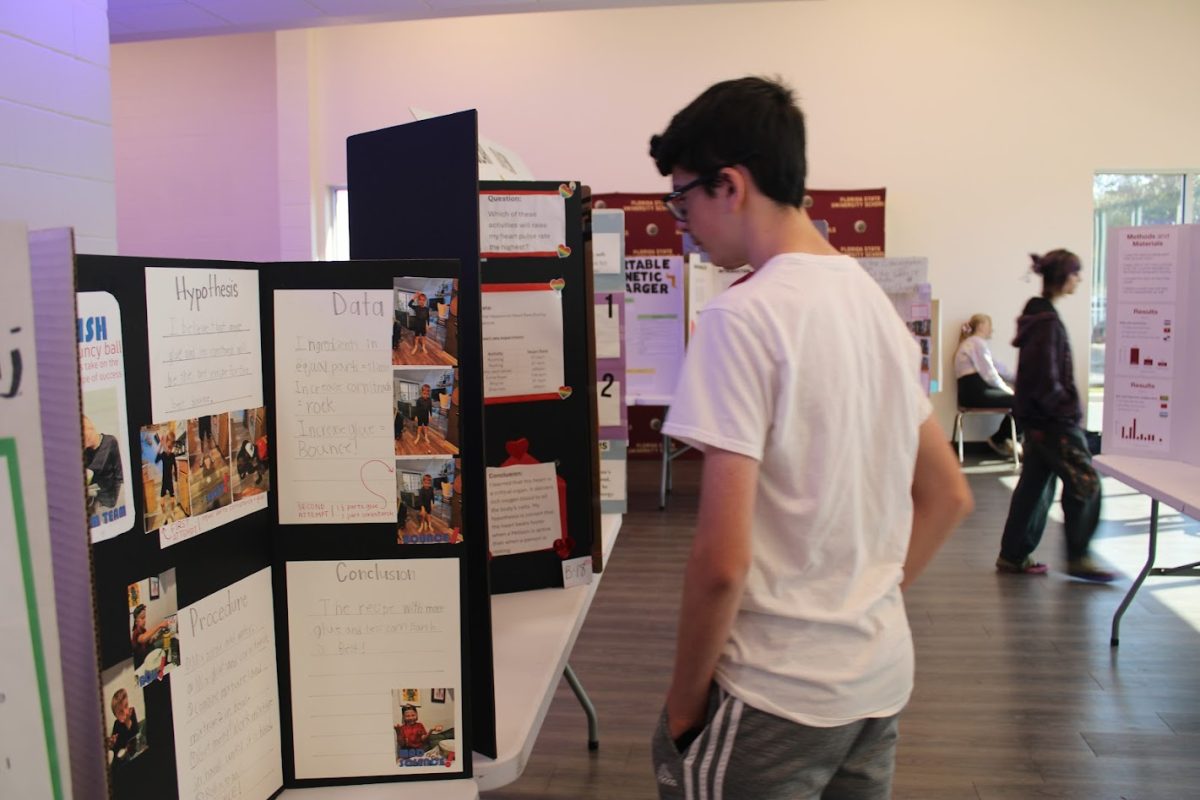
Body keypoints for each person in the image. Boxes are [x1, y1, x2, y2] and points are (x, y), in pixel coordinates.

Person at [647, 77, 973, 799]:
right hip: (878, 676)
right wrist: (863, 601)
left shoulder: (743, 318)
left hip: (772, 692)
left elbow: (721, 562)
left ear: (729, 185)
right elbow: (949, 496)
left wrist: (682, 706)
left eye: (682, 200)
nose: (682, 223)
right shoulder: (875, 307)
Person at [997, 250, 1115, 581]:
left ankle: (1013, 555)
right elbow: (1045, 377)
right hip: (1052, 423)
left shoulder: (1040, 318)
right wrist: (1061, 414)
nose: (1079, 279)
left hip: (1042, 422)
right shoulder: (1046, 323)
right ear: (1063, 277)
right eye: (1075, 273)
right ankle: (1079, 556)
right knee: (1085, 481)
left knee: (1035, 486)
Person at [955, 313, 1022, 457]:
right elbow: (990, 374)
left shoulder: (974, 343)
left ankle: (1005, 439)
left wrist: (1018, 380)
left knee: (1020, 400)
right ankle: (1002, 439)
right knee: (1021, 402)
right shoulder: (976, 343)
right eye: (989, 325)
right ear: (981, 326)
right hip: (975, 392)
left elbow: (997, 368)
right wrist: (1008, 390)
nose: (992, 329)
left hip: (970, 392)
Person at [82, 415, 123, 518]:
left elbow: (119, 475)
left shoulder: (110, 442)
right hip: (93, 497)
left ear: (91, 428)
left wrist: (113, 501)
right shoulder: (85, 452)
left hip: (109, 499)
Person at [107, 688, 141, 762]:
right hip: (120, 758)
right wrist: (112, 742)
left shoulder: (131, 713)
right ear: (116, 715)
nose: (125, 712)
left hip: (132, 753)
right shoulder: (116, 724)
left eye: (126, 706)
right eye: (121, 712)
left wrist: (128, 722)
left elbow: (135, 732)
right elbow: (115, 747)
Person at [154, 430, 179, 518]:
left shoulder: (172, 455)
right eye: (168, 447)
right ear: (166, 444)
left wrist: (176, 477)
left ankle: (172, 511)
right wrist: (160, 445)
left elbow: (175, 466)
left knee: (172, 499)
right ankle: (164, 513)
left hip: (170, 480)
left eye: (171, 448)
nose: (169, 449)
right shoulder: (163, 454)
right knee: (162, 500)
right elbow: (156, 460)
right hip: (164, 481)